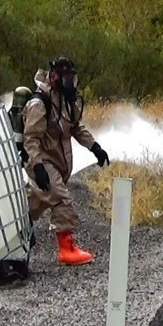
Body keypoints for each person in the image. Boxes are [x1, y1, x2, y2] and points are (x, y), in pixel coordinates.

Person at [22, 57, 110, 265]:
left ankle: (13, 233)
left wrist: (94, 148)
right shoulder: (39, 103)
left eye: (73, 78)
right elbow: (31, 139)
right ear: (54, 77)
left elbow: (76, 127)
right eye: (67, 78)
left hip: (56, 163)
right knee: (61, 199)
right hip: (42, 162)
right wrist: (37, 167)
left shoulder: (65, 101)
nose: (71, 83)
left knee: (35, 203)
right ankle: (66, 248)